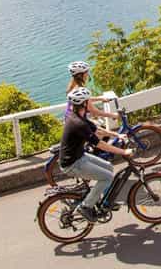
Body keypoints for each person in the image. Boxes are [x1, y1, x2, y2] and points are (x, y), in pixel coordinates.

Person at [60, 86, 133, 222]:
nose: (90, 103)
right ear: (83, 104)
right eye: (88, 101)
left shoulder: (76, 115)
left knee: (109, 168)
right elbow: (99, 144)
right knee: (106, 177)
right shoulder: (78, 123)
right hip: (73, 164)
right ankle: (86, 207)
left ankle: (105, 202)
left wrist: (117, 134)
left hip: (79, 156)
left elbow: (97, 129)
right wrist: (123, 151)